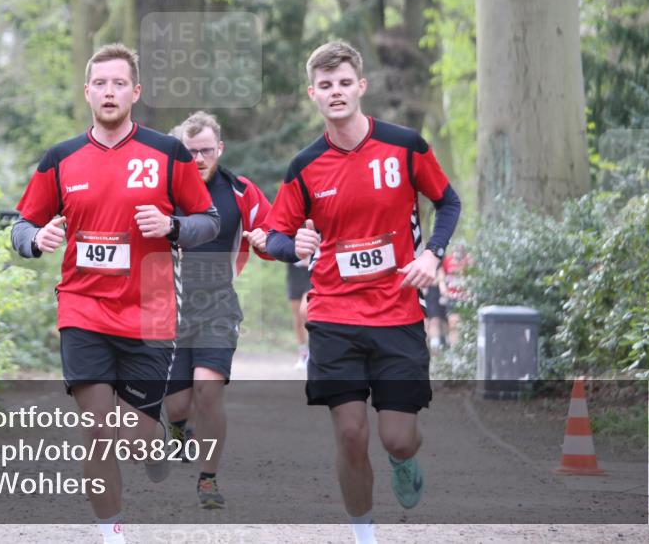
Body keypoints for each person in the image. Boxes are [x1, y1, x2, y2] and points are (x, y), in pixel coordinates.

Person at [11, 44, 220, 544]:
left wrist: (171, 226)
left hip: (149, 315)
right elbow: (22, 224)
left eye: (118, 83)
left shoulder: (167, 154)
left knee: (133, 440)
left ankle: (154, 445)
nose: (109, 91)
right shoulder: (60, 158)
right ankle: (111, 533)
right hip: (82, 311)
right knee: (97, 431)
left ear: (135, 92)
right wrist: (35, 240)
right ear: (87, 92)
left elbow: (208, 222)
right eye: (100, 83)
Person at [264, 41, 461, 544]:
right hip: (333, 313)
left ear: (361, 87)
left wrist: (431, 254)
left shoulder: (404, 146)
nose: (336, 93)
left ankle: (404, 459)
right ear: (313, 94)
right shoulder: (305, 166)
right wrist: (294, 245)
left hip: (398, 312)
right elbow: (274, 236)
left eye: (344, 83)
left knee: (398, 436)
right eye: (325, 86)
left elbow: (448, 201)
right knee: (351, 433)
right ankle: (363, 534)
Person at [162, 111, 273, 509]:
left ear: (219, 149)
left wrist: (266, 238)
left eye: (206, 150)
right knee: (177, 404)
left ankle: (208, 478)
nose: (198, 158)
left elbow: (274, 231)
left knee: (209, 392)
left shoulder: (241, 191)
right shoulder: (161, 190)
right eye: (189, 152)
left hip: (218, 306)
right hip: (168, 309)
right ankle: (176, 428)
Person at [287, 260, 312, 368]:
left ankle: (314, 351)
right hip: (295, 270)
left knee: (305, 312)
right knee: (297, 318)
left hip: (313, 270)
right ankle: (303, 354)